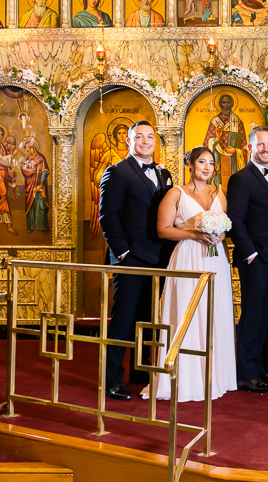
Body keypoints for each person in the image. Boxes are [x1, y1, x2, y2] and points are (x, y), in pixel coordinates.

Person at [148, 147, 236, 401]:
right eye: (201, 162)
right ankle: (185, 378)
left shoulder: (221, 192)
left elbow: (227, 225)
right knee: (188, 311)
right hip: (188, 257)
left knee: (214, 311)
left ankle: (215, 375)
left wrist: (221, 235)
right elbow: (163, 230)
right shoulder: (176, 194)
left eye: (211, 163)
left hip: (216, 258)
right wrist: (195, 234)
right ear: (190, 165)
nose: (207, 167)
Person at [99, 121, 174, 401]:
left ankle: (140, 373)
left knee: (148, 318)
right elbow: (108, 216)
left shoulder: (164, 173)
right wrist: (123, 253)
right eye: (138, 136)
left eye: (150, 136)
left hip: (158, 258)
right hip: (130, 258)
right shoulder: (117, 172)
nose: (145, 141)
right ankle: (112, 378)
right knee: (124, 320)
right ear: (128, 142)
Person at [226, 126, 268, 393]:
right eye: (260, 144)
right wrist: (250, 254)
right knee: (252, 316)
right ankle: (246, 374)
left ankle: (264, 370)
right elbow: (235, 221)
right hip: (255, 259)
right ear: (250, 147)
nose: (265, 149)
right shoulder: (241, 179)